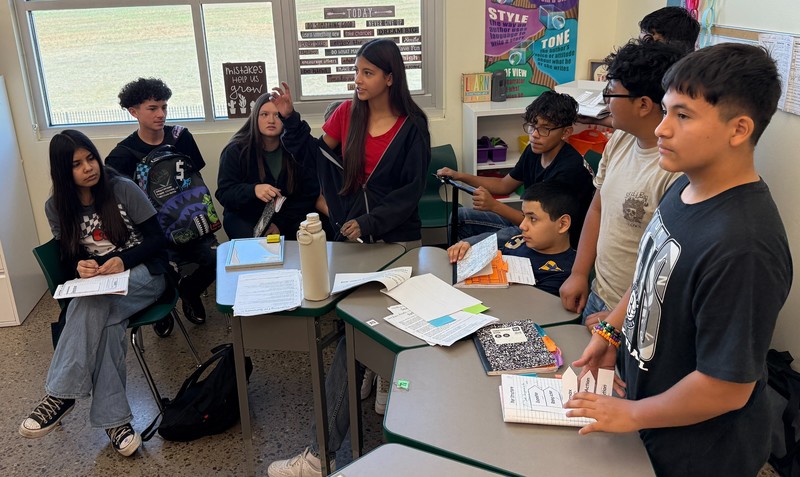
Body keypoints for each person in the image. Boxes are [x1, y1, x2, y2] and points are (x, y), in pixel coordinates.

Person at [564, 43, 793, 477]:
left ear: (739, 129)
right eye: (666, 112)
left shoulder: (744, 245)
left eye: (683, 116)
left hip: (699, 451)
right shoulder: (684, 186)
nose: (663, 129)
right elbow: (650, 273)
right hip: (650, 415)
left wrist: (630, 414)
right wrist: (613, 330)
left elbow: (725, 388)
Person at [267, 38, 430, 477]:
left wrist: (372, 222)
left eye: (367, 73)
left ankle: (321, 455)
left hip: (396, 244)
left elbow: (409, 193)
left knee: (357, 334)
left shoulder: (412, 126)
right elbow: (316, 158)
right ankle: (371, 378)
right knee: (353, 327)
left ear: (390, 78)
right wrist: (290, 120)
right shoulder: (346, 113)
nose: (357, 80)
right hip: (351, 241)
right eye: (356, 71)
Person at [19, 130, 171, 456]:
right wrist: (82, 267)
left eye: (90, 158)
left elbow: (159, 241)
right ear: (63, 171)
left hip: (147, 275)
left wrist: (123, 259)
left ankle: (60, 393)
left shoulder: (122, 189)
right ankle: (115, 422)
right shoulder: (56, 207)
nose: (89, 167)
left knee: (94, 304)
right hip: (102, 287)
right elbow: (70, 255)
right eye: (77, 164)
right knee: (108, 324)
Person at [559, 40, 684, 328]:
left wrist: (624, 317)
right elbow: (598, 210)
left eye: (610, 92)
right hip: (599, 295)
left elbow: (672, 267)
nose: (604, 101)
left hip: (637, 317)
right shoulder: (621, 139)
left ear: (643, 104)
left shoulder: (674, 171)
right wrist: (579, 273)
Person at [106, 78, 216, 325]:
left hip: (187, 222)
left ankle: (190, 291)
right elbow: (116, 200)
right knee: (158, 272)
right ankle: (160, 303)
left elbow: (194, 177)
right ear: (133, 111)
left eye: (164, 107)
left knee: (214, 260)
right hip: (151, 232)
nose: (161, 114)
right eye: (153, 108)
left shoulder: (181, 137)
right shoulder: (122, 154)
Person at [437, 91, 593, 249]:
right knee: (460, 217)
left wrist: (494, 205)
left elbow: (539, 225)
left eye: (545, 129)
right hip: (529, 224)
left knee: (470, 246)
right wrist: (459, 176)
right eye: (532, 126)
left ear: (566, 132)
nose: (534, 135)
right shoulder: (534, 151)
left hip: (551, 239)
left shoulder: (570, 169)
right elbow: (504, 185)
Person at [216, 93, 320, 239]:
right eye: (264, 114)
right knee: (252, 244)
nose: (271, 120)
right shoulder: (236, 150)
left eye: (277, 115)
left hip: (287, 218)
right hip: (245, 217)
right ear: (254, 118)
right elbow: (224, 193)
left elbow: (308, 193)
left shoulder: (296, 149)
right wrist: (253, 190)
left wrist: (280, 224)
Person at [447, 181, 578, 296]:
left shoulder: (563, 274)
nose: (522, 225)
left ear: (563, 224)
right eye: (524, 216)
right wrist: (467, 247)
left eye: (532, 219)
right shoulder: (517, 241)